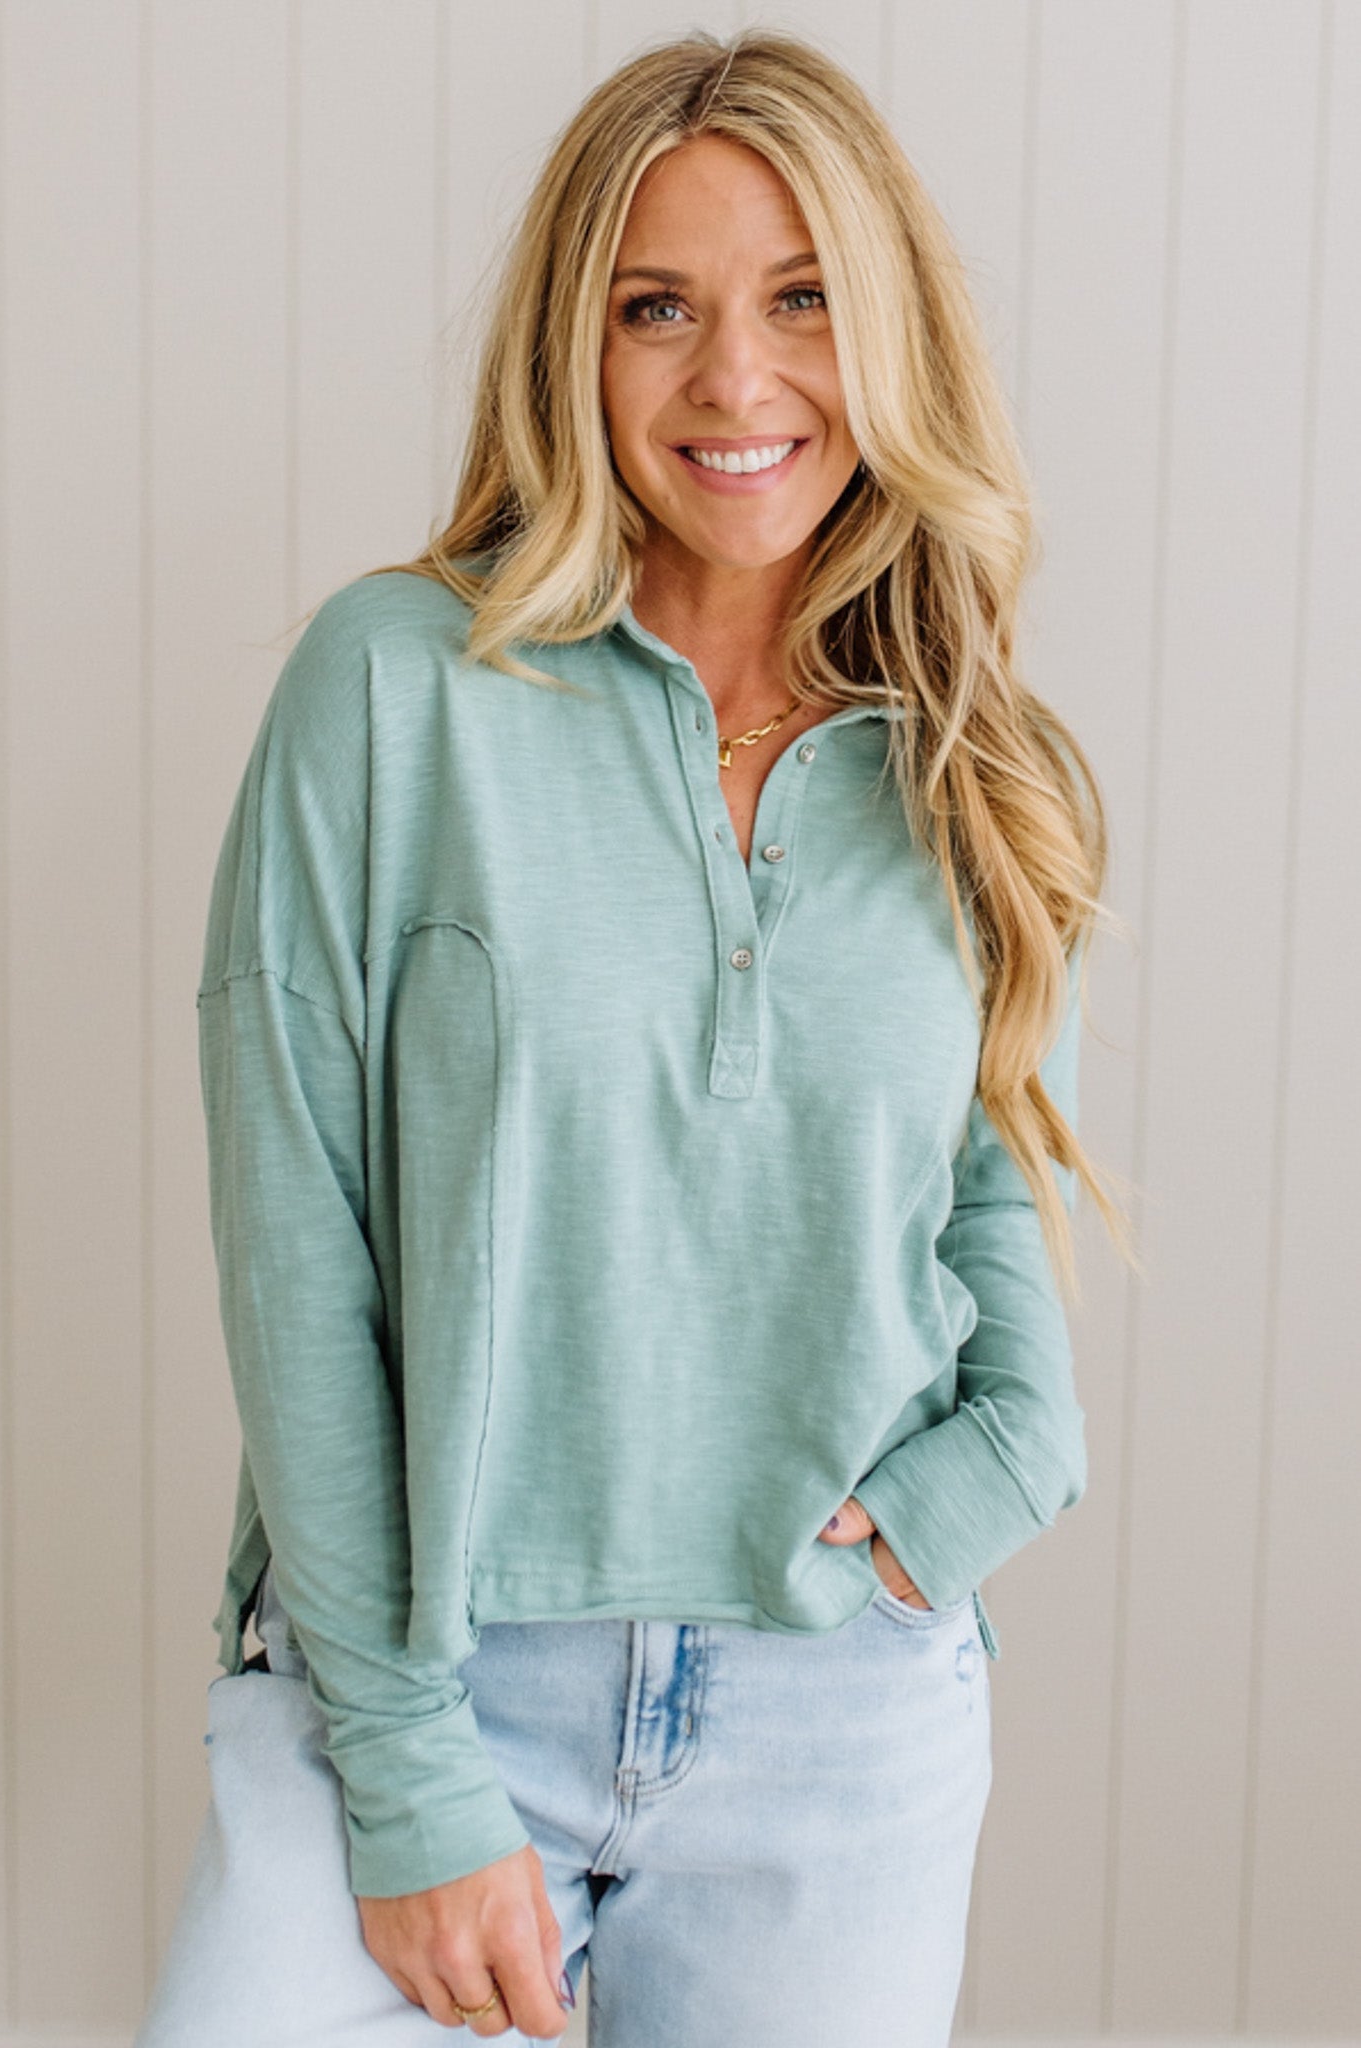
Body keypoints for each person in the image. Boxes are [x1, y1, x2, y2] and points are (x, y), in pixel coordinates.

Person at [134, 26, 1132, 2048]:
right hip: (421, 1684)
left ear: (890, 334)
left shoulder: (974, 760)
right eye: (652, 308)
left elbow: (983, 1196)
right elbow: (299, 1239)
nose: (732, 382)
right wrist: (410, 1766)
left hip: (832, 1718)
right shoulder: (398, 686)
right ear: (568, 349)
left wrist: (992, 1470)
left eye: (798, 302)